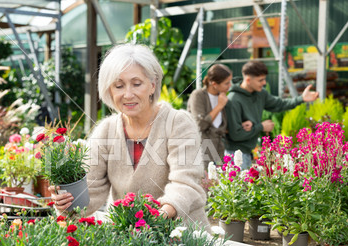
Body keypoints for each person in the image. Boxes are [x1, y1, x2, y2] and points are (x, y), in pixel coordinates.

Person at [49, 43, 210, 231]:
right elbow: (91, 191)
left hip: (182, 235)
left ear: (152, 85)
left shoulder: (178, 123)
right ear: (109, 90)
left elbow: (186, 184)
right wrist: (67, 201)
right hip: (129, 240)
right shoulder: (106, 131)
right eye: (119, 85)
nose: (128, 94)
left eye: (136, 84)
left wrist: (156, 218)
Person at [225, 60, 319, 169]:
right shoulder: (233, 100)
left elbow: (279, 104)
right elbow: (236, 135)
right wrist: (261, 126)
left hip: (248, 152)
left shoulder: (261, 94)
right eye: (261, 80)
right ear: (248, 80)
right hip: (234, 155)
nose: (264, 83)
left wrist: (301, 98)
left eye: (264, 79)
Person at [187, 64, 252, 170]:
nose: (230, 86)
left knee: (219, 184)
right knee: (204, 184)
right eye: (226, 83)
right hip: (201, 150)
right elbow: (199, 125)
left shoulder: (222, 96)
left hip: (219, 150)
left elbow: (219, 126)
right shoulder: (198, 95)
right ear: (214, 84)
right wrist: (220, 106)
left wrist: (240, 125)